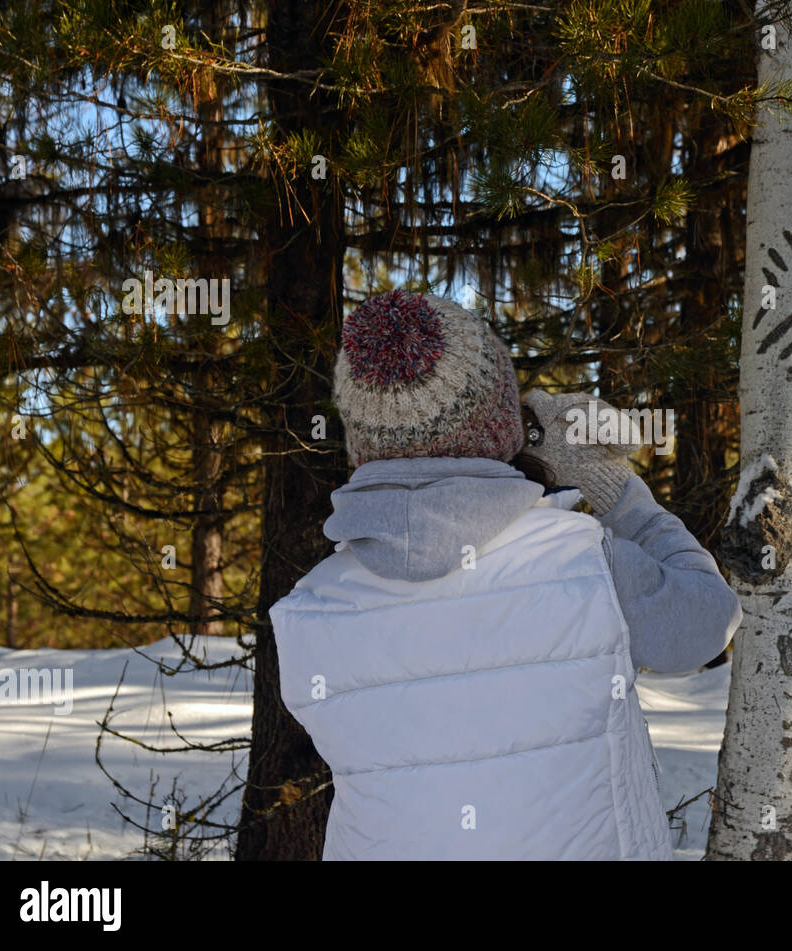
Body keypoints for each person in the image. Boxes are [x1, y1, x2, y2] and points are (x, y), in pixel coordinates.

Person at [271, 289, 742, 860]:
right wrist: (620, 495)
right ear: (498, 422)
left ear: (361, 440)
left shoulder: (308, 611)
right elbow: (708, 621)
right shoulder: (587, 564)